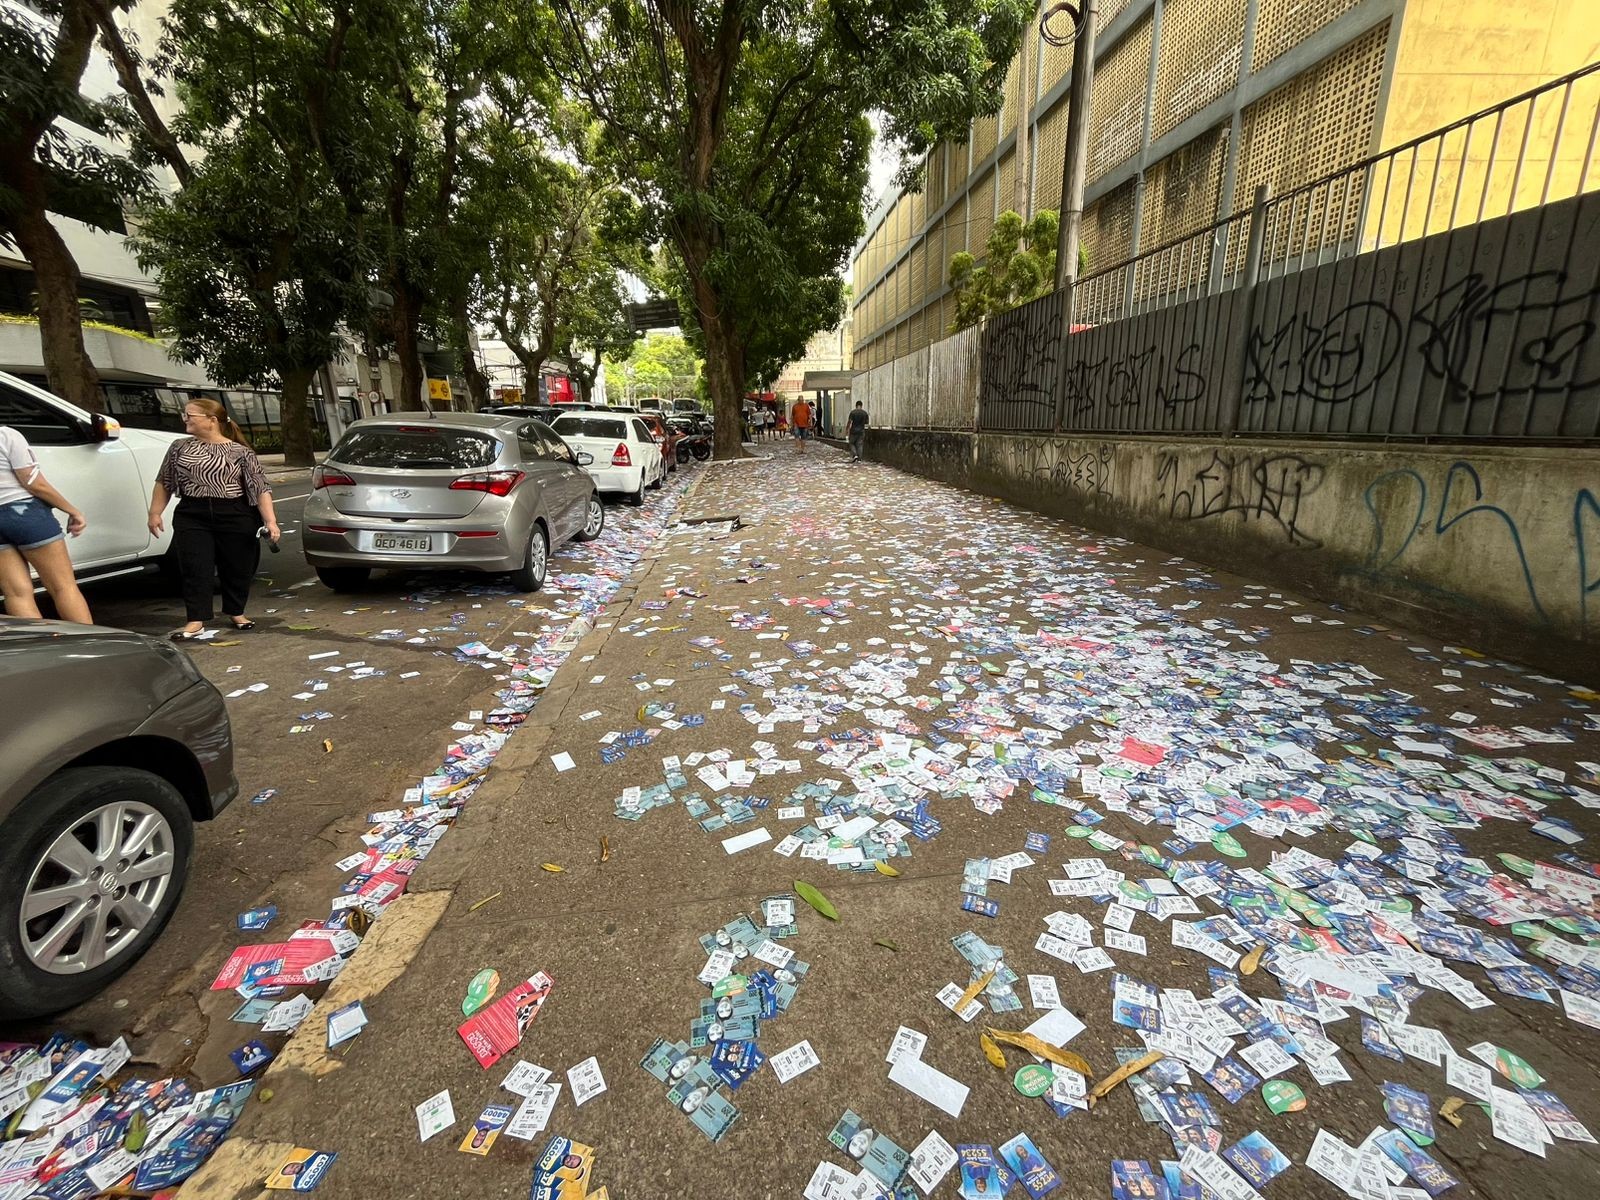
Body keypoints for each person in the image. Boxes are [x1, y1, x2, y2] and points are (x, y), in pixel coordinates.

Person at [148, 399, 279, 639]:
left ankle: (236, 612)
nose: (185, 419)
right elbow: (164, 481)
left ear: (212, 420)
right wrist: (154, 512)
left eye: (190, 415)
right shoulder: (179, 447)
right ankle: (195, 620)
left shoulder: (241, 452)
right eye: (184, 414)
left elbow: (260, 488)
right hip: (192, 513)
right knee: (195, 566)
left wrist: (270, 522)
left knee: (237, 566)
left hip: (235, 512)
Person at [0, 424, 92, 623]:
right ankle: (89, 646)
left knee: (16, 594)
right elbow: (34, 482)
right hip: (24, 513)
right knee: (62, 587)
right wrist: (72, 510)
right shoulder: (6, 435)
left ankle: (37, 646)